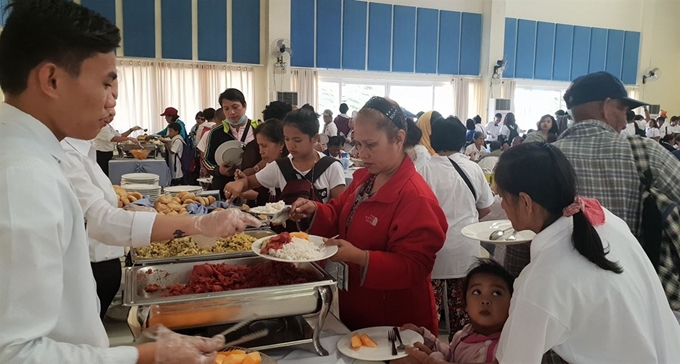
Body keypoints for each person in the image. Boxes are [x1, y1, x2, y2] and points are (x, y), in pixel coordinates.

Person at [0, 1, 256, 362]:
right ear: (52, 80)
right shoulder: (20, 177)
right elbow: (15, 354)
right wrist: (145, 356)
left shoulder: (36, 157)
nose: (111, 103)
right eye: (106, 84)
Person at [61, 80, 260, 321]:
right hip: (88, 263)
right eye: (105, 98)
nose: (112, 108)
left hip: (102, 259)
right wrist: (198, 224)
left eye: (113, 98)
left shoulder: (82, 148)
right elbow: (100, 219)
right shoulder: (63, 154)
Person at [491, 143, 680, 363]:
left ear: (525, 202)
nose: (502, 206)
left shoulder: (543, 281)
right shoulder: (603, 219)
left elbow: (514, 359)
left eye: (503, 197)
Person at [507, 71, 680, 308]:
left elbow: (522, 236)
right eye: (623, 111)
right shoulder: (644, 153)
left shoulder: (543, 159)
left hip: (560, 300)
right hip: (635, 297)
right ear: (607, 107)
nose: (624, 121)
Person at [288, 96, 447, 334]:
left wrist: (362, 258)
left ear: (399, 139)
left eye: (371, 145)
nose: (362, 153)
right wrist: (315, 210)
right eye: (358, 144)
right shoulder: (365, 179)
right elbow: (340, 212)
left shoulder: (415, 197)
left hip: (396, 321)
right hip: (358, 305)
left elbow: (415, 266)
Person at [418, 117, 494, 337]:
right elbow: (486, 207)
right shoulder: (473, 169)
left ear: (432, 140)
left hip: (431, 249)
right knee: (462, 315)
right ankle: (461, 352)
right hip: (465, 248)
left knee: (428, 317)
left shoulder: (422, 170)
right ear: (462, 140)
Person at [224, 107, 346, 210]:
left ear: (315, 138)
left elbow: (338, 207)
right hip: (286, 235)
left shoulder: (331, 166)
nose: (291, 145)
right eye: (287, 139)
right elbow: (249, 182)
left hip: (320, 235)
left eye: (297, 140)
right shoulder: (281, 166)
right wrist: (239, 183)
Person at [397, 259, 514, 364]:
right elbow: (450, 354)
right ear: (465, 305)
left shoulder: (496, 350)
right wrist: (424, 338)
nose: (485, 300)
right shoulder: (466, 331)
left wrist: (433, 357)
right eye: (477, 292)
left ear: (512, 304)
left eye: (496, 293)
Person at [202, 88, 259, 198]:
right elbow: (206, 160)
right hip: (224, 188)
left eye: (235, 107)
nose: (231, 112)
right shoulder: (216, 132)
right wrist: (219, 170)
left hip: (253, 186)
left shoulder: (257, 129)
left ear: (244, 106)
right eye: (226, 108)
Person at [236, 119, 288, 207]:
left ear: (281, 144)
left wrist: (256, 196)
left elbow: (285, 203)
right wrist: (248, 183)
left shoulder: (288, 167)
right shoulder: (268, 165)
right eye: (259, 145)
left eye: (264, 146)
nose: (261, 151)